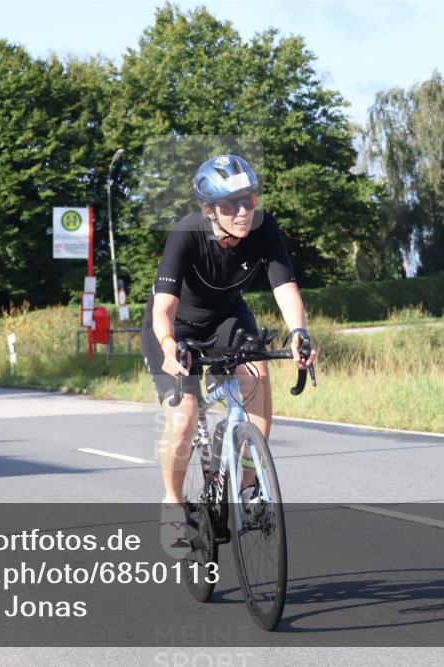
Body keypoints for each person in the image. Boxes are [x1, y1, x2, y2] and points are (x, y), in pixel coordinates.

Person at [141, 155, 317, 555]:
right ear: (209, 210)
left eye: (248, 200)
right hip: (174, 329)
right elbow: (163, 308)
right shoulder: (187, 232)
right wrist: (169, 347)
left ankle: (250, 484)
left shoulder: (264, 228)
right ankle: (172, 502)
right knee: (185, 417)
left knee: (256, 374)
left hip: (226, 318)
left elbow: (284, 286)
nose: (242, 211)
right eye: (229, 204)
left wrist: (299, 332)